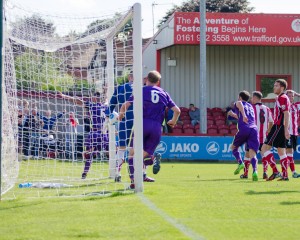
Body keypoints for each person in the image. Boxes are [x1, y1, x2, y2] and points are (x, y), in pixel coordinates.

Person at [119, 70, 180, 189]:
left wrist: (121, 115)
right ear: (158, 82)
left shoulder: (140, 91)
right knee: (142, 155)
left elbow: (125, 105)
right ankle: (150, 159)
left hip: (142, 124)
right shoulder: (164, 93)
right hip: (157, 127)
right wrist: (173, 121)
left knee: (132, 155)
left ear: (146, 79)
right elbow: (177, 111)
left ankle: (134, 180)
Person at [59, 91, 108, 179]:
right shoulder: (106, 106)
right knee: (110, 153)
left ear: (94, 98)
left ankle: (85, 172)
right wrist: (107, 89)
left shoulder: (92, 106)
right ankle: (116, 171)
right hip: (104, 134)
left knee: (88, 154)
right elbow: (107, 99)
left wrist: (65, 96)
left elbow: (77, 101)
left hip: (94, 133)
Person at [261, 79, 291, 181]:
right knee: (281, 151)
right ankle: (285, 175)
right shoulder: (280, 98)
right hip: (280, 127)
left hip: (279, 127)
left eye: (276, 85)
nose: (274, 87)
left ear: (282, 87)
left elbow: (286, 114)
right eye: (274, 85)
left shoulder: (282, 98)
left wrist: (286, 129)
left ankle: (275, 171)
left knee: (264, 149)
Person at [240, 91, 274, 179]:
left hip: (252, 135)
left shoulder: (250, 108)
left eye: (252, 98)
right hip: (264, 135)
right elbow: (271, 122)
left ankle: (246, 173)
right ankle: (265, 172)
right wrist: (268, 130)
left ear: (255, 98)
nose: (251, 99)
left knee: (248, 154)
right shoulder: (267, 108)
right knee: (264, 154)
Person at [107, 71, 134, 182]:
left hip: (123, 119)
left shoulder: (121, 88)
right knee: (139, 147)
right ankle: (142, 173)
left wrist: (109, 116)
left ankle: (117, 172)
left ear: (129, 77)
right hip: (139, 119)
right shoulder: (143, 88)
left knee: (122, 147)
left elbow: (111, 104)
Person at [227, 90, 260, 181]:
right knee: (252, 153)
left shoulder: (239, 102)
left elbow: (241, 108)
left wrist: (244, 115)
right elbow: (242, 117)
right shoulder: (250, 106)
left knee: (233, 147)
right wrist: (234, 115)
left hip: (244, 128)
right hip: (254, 129)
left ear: (240, 97)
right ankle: (255, 171)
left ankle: (240, 163)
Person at [286, 90, 300, 178]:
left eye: (292, 96)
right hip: (287, 132)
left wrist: (298, 94)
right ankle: (293, 172)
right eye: (289, 96)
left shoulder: (297, 106)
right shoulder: (284, 106)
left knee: (290, 153)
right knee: (289, 152)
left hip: (294, 132)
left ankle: (283, 172)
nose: (291, 98)